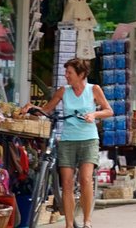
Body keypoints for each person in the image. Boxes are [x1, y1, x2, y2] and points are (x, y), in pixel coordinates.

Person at [22, 58, 113, 228]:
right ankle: (69, 224)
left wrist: (94, 115)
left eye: (70, 72)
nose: (66, 76)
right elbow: (46, 110)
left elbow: (109, 110)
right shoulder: (64, 91)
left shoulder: (93, 89)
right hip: (67, 140)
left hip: (89, 139)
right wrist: (31, 108)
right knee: (67, 183)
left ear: (81, 74)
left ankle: (87, 221)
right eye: (66, 72)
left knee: (86, 179)